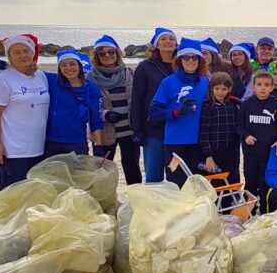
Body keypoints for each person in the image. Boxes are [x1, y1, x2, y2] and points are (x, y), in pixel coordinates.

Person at [0, 33, 50, 190]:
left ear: (33, 53)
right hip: (14, 151)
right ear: (9, 56)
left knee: (36, 197)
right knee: (13, 198)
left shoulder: (40, 76)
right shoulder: (2, 79)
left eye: (26, 51)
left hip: (39, 147)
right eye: (17, 52)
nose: (23, 55)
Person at [149, 38, 210, 186]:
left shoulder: (204, 82)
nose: (191, 60)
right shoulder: (168, 82)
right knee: (176, 185)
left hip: (198, 144)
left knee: (198, 186)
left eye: (195, 57)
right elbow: (154, 112)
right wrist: (176, 112)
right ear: (180, 60)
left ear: (200, 60)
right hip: (175, 143)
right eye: (186, 57)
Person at [89, 34, 141, 184]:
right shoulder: (90, 78)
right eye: (102, 53)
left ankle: (134, 203)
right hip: (104, 132)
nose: (107, 55)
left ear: (117, 53)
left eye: (111, 52)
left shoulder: (130, 73)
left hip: (129, 131)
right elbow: (88, 106)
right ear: (96, 56)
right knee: (103, 173)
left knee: (132, 171)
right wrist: (105, 115)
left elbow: (139, 99)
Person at [130, 27, 177, 182]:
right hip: (153, 129)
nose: (168, 42)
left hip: (177, 128)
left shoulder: (183, 65)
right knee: (154, 177)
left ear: (176, 44)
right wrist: (137, 128)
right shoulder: (145, 67)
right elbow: (137, 98)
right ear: (155, 45)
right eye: (163, 39)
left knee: (176, 176)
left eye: (171, 39)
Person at [237, 69, 277, 211]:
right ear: (253, 87)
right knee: (250, 184)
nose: (263, 88)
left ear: (272, 87)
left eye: (266, 85)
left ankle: (265, 213)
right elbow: (239, 125)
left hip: (269, 155)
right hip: (251, 154)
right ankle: (249, 212)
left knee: (265, 185)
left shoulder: (276, 105)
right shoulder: (246, 105)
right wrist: (246, 135)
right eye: (259, 84)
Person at [44, 49, 105, 157]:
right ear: (59, 68)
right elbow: (27, 70)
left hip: (76, 143)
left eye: (72, 64)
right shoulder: (51, 81)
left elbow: (96, 120)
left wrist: (99, 145)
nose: (68, 68)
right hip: (50, 142)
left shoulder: (91, 90)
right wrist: (6, 66)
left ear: (80, 66)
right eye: (63, 65)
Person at [198, 71, 241, 185]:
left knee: (232, 182)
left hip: (232, 151)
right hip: (214, 152)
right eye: (217, 88)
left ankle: (232, 202)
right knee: (215, 183)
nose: (220, 92)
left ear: (229, 89)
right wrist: (208, 156)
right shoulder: (207, 106)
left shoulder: (234, 104)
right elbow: (203, 132)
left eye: (223, 89)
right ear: (211, 88)